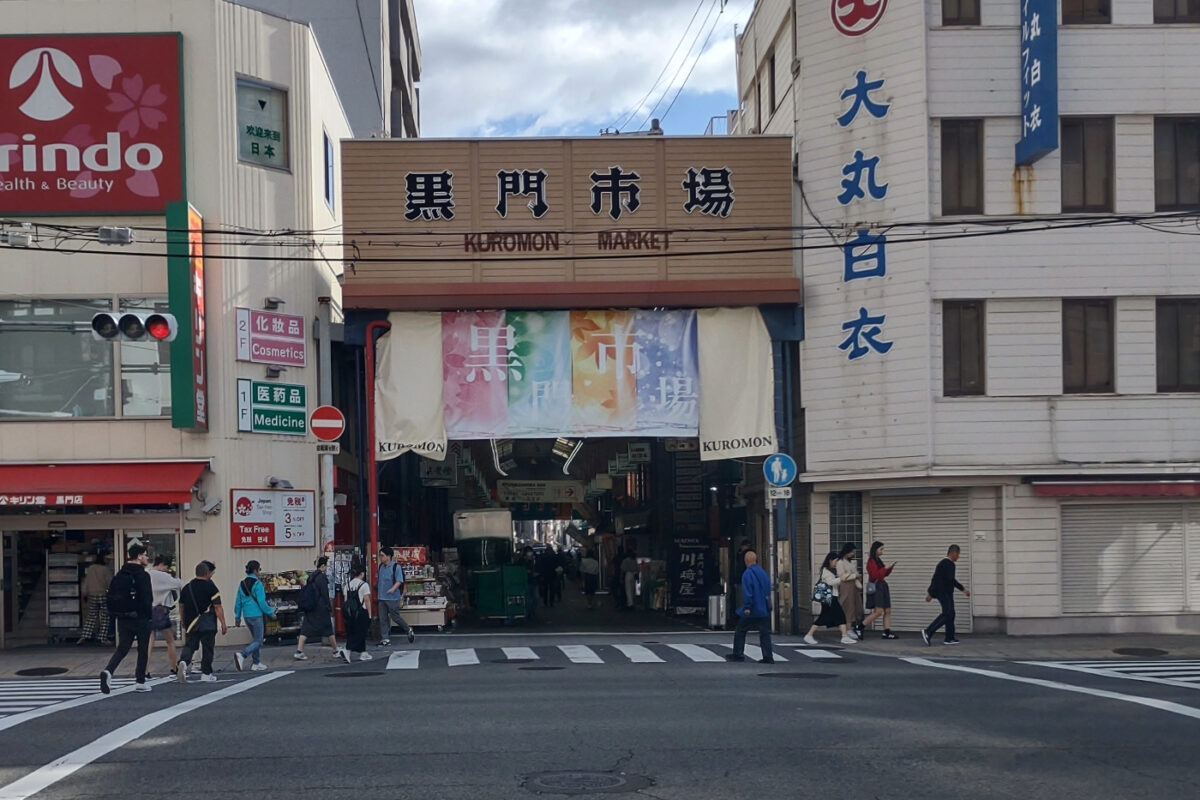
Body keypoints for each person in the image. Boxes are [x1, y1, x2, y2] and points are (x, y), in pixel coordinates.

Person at [99, 544, 153, 694]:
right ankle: (140, 681)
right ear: (139, 556)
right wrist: (148, 617)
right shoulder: (142, 575)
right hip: (140, 617)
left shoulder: (120, 574)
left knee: (122, 648)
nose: (147, 558)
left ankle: (108, 671)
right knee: (143, 650)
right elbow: (147, 599)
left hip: (123, 617)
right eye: (145, 555)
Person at [177, 560, 227, 682]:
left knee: (190, 646)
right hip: (207, 623)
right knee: (207, 648)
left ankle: (183, 662)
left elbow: (181, 606)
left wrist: (183, 620)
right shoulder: (211, 587)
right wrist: (223, 622)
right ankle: (206, 673)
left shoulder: (187, 588)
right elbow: (217, 606)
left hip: (191, 623)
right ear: (207, 573)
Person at [725, 549, 774, 663]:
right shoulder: (763, 572)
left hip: (752, 609)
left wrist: (747, 607)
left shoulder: (747, 574)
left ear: (746, 560)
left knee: (740, 630)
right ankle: (768, 656)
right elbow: (767, 589)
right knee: (764, 633)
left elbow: (748, 593)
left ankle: (738, 654)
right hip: (763, 609)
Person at [804, 551, 858, 645]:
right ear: (830, 560)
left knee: (828, 617)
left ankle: (810, 635)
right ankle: (844, 636)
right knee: (838, 616)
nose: (836, 563)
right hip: (830, 598)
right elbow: (830, 582)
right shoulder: (826, 571)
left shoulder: (831, 570)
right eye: (836, 561)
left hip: (830, 597)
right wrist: (841, 579)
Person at [294, 556, 343, 660]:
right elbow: (324, 593)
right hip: (320, 607)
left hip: (311, 606)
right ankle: (335, 651)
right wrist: (329, 606)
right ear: (323, 566)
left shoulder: (311, 576)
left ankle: (299, 651)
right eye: (326, 565)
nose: (327, 568)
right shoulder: (321, 577)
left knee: (306, 629)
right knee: (328, 629)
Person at [922, 544, 969, 646]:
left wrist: (930, 593)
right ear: (953, 553)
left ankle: (949, 637)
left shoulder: (942, 563)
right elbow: (951, 580)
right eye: (958, 554)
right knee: (947, 613)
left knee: (951, 613)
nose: (958, 557)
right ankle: (928, 631)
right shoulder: (949, 564)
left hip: (943, 592)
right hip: (944, 592)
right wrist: (963, 589)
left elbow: (935, 578)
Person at [233, 560, 276, 672]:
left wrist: (237, 617)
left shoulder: (242, 584)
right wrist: (270, 612)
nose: (259, 572)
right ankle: (242, 654)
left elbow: (238, 602)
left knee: (255, 640)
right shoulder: (258, 584)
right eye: (259, 570)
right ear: (255, 570)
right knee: (259, 641)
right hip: (257, 615)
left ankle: (256, 663)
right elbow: (261, 601)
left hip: (246, 616)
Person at [147, 554, 184, 674]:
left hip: (148, 610)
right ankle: (173, 667)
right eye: (167, 567)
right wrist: (171, 575)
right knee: (170, 641)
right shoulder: (165, 577)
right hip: (161, 612)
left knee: (149, 641)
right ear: (163, 565)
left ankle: (145, 670)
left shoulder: (147, 574)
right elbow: (180, 584)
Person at [376, 547, 415, 646]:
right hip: (382, 596)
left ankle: (408, 629)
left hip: (393, 597)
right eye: (380, 555)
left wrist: (393, 589)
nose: (380, 557)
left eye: (382, 555)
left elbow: (399, 581)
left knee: (395, 617)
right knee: (383, 618)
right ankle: (385, 638)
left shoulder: (396, 567)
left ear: (388, 556)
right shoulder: (381, 567)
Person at [862, 541, 897, 639]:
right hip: (877, 586)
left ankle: (886, 631)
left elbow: (883, 574)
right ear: (875, 549)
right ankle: (860, 626)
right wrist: (885, 568)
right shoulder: (871, 561)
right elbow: (875, 575)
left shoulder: (878, 560)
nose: (882, 551)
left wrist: (889, 568)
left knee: (888, 610)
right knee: (878, 611)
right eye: (881, 549)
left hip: (882, 585)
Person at [78, 553, 113, 646]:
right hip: (102, 594)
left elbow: (86, 582)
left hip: (91, 594)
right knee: (105, 616)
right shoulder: (105, 569)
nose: (109, 561)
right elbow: (109, 582)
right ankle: (103, 638)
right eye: (107, 559)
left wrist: (84, 593)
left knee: (91, 616)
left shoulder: (91, 568)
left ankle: (84, 636)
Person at [342, 565, 373, 663]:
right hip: (361, 612)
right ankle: (347, 650)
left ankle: (363, 653)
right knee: (360, 633)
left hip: (350, 613)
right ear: (362, 574)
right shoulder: (364, 585)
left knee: (352, 632)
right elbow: (367, 600)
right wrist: (370, 614)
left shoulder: (347, 585)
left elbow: (345, 600)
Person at [836, 543, 865, 639]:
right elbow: (842, 577)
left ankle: (850, 627)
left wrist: (856, 576)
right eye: (852, 552)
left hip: (853, 586)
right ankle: (848, 629)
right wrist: (854, 575)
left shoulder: (849, 562)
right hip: (846, 586)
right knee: (848, 607)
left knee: (855, 606)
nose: (853, 554)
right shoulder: (840, 562)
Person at [620, 544, 639, 610]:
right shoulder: (634, 560)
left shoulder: (626, 560)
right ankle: (632, 603)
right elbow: (637, 568)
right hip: (634, 574)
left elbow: (622, 569)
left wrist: (621, 577)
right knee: (632, 589)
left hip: (628, 574)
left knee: (628, 589)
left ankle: (629, 604)